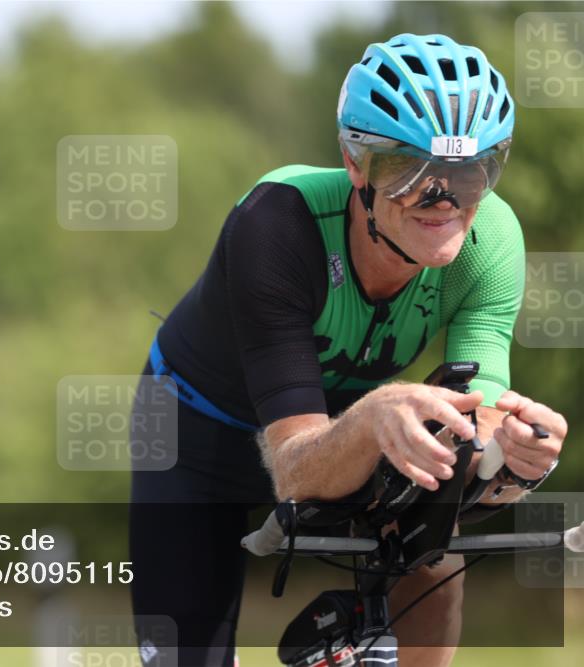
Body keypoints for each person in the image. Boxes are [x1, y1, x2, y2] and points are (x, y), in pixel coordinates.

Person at [128, 33, 567, 667]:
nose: (443, 201)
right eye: (410, 173)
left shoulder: (492, 240)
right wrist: (372, 415)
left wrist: (518, 459)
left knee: (435, 539)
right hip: (197, 428)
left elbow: (483, 429)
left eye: (471, 173)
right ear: (356, 163)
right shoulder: (276, 224)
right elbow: (297, 471)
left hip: (350, 426)